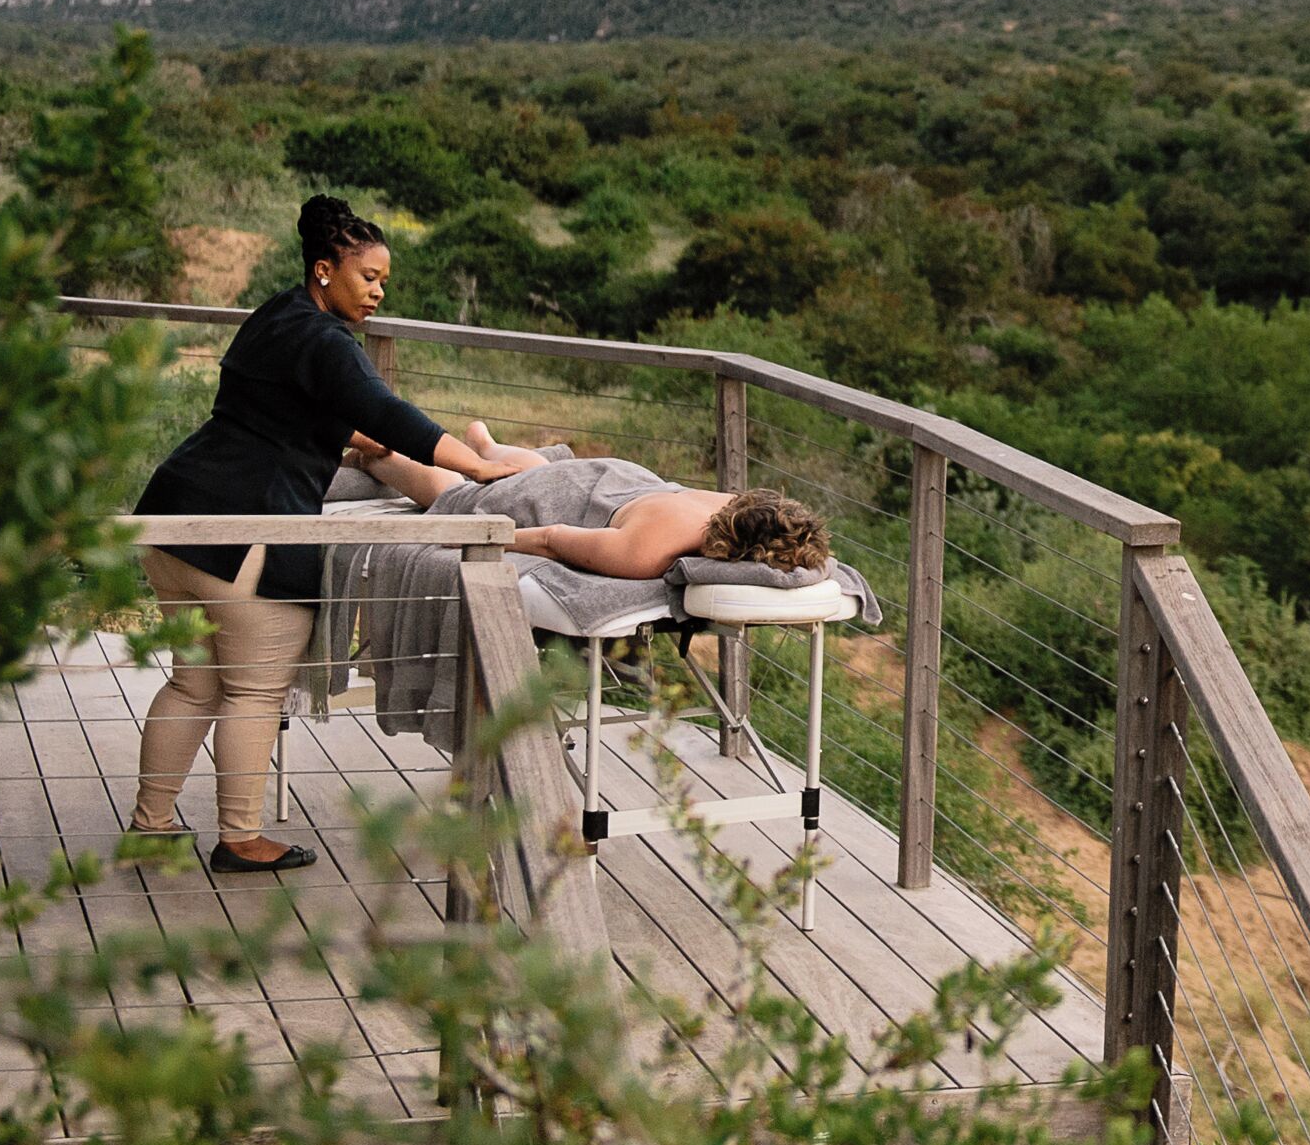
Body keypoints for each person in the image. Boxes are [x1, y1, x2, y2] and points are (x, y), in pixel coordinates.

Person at [125, 194, 536, 871]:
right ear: (325, 270)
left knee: (194, 683)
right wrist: (480, 467)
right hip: (245, 531)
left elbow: (276, 406)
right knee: (253, 690)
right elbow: (388, 410)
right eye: (368, 277)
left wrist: (339, 441)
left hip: (175, 516)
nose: (377, 292)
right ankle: (239, 837)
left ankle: (153, 823)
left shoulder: (276, 316)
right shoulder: (327, 341)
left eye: (383, 282)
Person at [341, 437, 831, 583]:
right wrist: (477, 531)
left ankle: (486, 444)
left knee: (527, 470)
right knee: (451, 491)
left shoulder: (730, 503)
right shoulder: (648, 551)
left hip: (615, 476)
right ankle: (375, 456)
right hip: (564, 496)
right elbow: (553, 538)